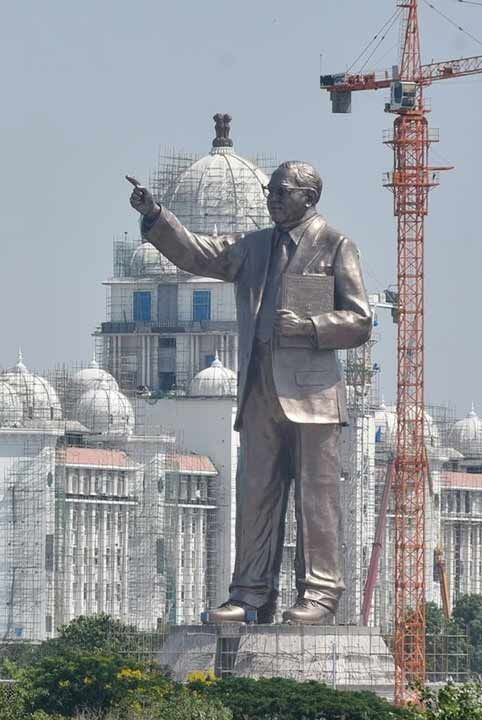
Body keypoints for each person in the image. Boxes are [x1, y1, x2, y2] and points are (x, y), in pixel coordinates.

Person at [129, 159, 372, 624]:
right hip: (259, 390)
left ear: (309, 197)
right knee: (256, 493)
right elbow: (199, 255)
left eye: (283, 192)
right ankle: (250, 595)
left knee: (316, 501)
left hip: (313, 397)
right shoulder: (255, 246)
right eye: (271, 192)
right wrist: (157, 216)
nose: (273, 199)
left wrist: (311, 326)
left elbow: (360, 320)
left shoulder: (335, 245)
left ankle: (319, 594)